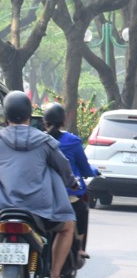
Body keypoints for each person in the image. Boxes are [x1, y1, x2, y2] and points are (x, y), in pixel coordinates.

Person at [0, 91, 77, 278]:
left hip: (3, 208)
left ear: (5, 115)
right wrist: (73, 183)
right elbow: (64, 168)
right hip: (38, 210)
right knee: (68, 226)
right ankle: (54, 276)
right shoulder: (45, 141)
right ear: (29, 115)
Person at [43, 102, 98, 259]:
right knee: (81, 210)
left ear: (44, 122)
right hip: (68, 192)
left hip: (42, 192)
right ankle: (79, 247)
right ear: (63, 121)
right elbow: (84, 167)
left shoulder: (38, 139)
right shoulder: (73, 141)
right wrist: (93, 172)